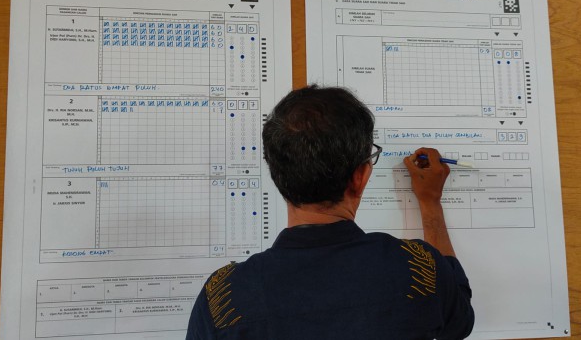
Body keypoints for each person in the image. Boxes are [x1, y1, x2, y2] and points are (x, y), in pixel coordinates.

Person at [186, 85, 474, 340]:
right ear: (360, 177)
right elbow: (458, 321)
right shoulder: (418, 270)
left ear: (277, 175)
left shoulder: (225, 299)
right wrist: (430, 202)